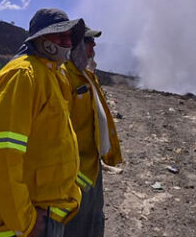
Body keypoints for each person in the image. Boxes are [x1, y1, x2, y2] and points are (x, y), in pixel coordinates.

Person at [0, 9, 85, 237]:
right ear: (40, 38)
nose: (67, 42)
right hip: (28, 224)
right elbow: (1, 154)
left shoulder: (55, 74)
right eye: (59, 36)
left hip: (48, 214)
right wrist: (24, 221)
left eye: (69, 36)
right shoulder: (23, 75)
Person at [63, 27, 123, 237]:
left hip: (92, 165)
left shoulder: (87, 76)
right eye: (88, 41)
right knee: (77, 223)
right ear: (75, 45)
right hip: (74, 171)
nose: (94, 46)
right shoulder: (64, 77)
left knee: (94, 218)